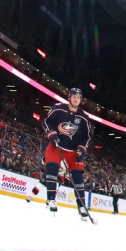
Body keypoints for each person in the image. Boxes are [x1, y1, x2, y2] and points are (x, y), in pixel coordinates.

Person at [43, 87, 92, 219]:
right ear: (69, 98)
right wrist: (52, 134)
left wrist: (82, 149)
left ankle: (81, 206)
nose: (76, 99)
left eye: (78, 97)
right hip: (57, 146)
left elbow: (87, 137)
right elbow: (47, 121)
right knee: (52, 168)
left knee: (78, 177)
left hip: (73, 152)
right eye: (74, 96)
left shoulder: (84, 117)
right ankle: (51, 199)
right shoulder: (58, 108)